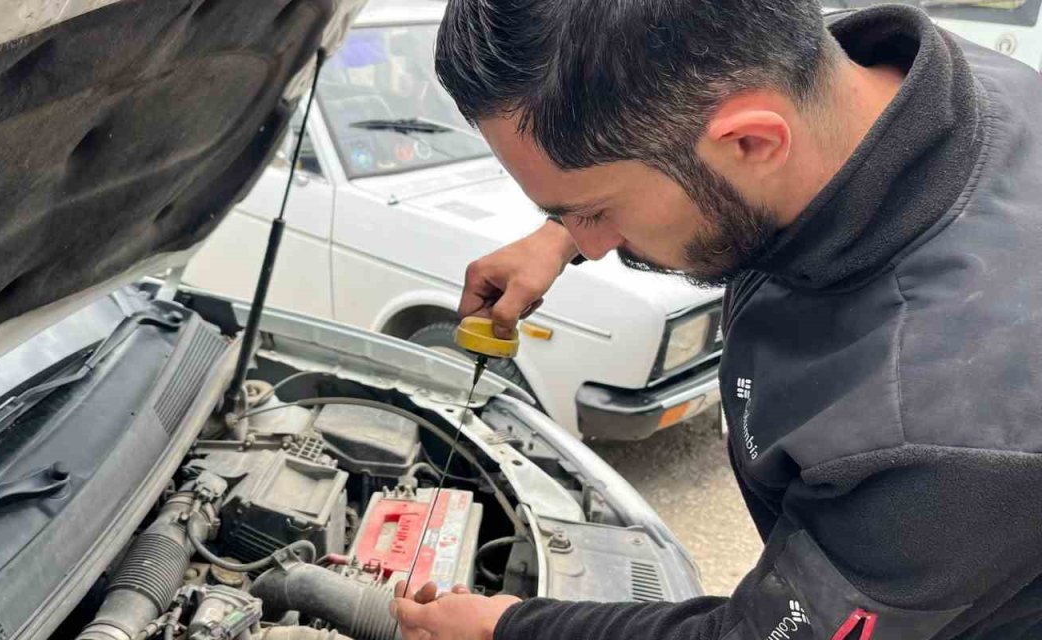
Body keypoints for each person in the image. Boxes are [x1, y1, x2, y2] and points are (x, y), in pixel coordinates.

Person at [388, 1, 1042, 639]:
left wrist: (506, 627)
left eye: (595, 210)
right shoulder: (834, 78)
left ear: (753, 142)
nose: (591, 241)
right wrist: (557, 234)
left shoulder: (943, 439)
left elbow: (773, 633)